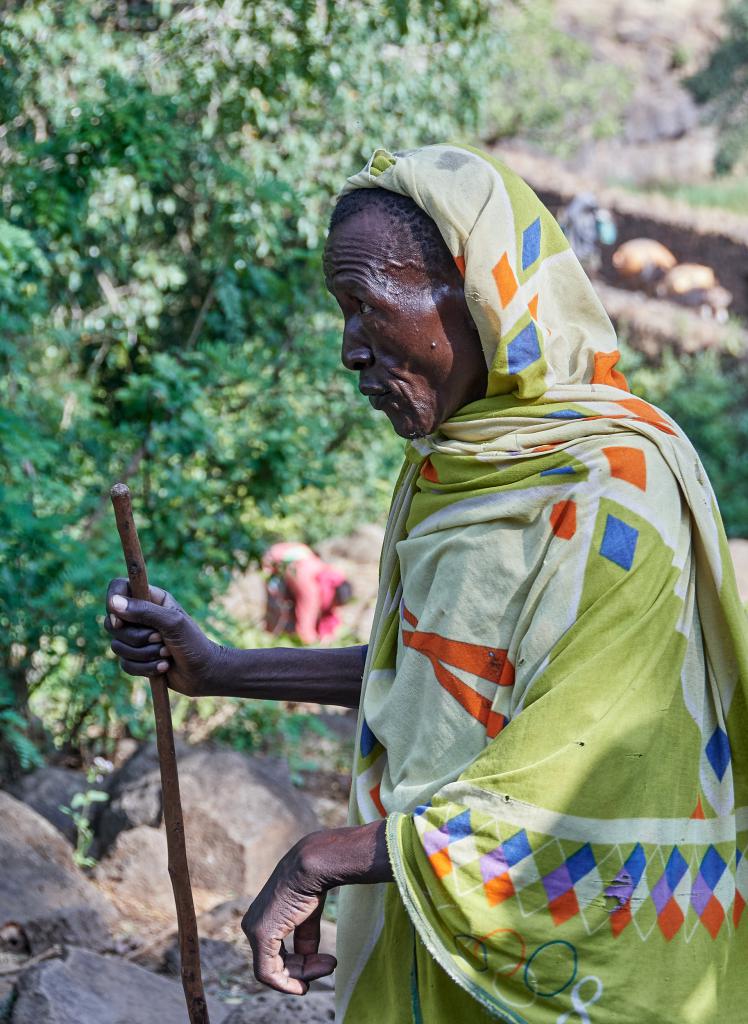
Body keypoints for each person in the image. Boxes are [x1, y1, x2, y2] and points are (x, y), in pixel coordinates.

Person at [104, 144, 748, 1022]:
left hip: (583, 943)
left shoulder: (615, 485)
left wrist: (331, 855)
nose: (349, 351)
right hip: (445, 911)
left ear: (478, 295)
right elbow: (441, 674)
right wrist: (217, 669)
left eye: (367, 306)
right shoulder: (451, 469)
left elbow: (583, 751)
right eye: (342, 312)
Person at [262, 541, 352, 644]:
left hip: (286, 551)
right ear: (334, 599)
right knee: (279, 617)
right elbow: (304, 630)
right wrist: (317, 645)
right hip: (271, 561)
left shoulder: (325, 573)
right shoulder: (311, 591)